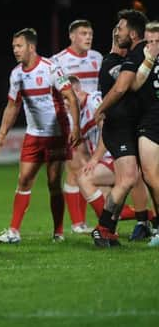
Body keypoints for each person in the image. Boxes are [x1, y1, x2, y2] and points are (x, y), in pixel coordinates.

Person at [0, 28, 81, 244]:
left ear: (31, 47)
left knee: (53, 183)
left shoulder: (50, 68)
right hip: (33, 135)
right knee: (23, 180)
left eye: (19, 46)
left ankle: (58, 232)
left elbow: (70, 95)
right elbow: (12, 106)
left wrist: (76, 127)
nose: (15, 50)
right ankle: (14, 231)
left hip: (56, 134)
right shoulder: (16, 74)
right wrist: (2, 134)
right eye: (14, 46)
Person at [91, 9, 149, 247]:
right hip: (118, 129)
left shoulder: (127, 60)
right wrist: (100, 110)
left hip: (127, 128)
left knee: (130, 178)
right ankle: (102, 228)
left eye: (121, 27)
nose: (118, 30)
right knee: (127, 179)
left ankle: (111, 229)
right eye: (117, 29)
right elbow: (122, 88)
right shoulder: (111, 63)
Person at [51, 20, 102, 234]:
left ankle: (84, 222)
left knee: (87, 170)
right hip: (72, 122)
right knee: (75, 169)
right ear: (72, 36)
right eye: (83, 33)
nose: (88, 37)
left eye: (90, 33)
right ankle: (77, 223)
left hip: (94, 119)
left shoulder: (97, 58)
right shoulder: (59, 60)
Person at [130, 21, 159, 246]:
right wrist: (148, 59)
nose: (152, 45)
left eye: (157, 41)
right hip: (149, 121)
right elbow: (135, 84)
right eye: (149, 41)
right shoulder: (141, 58)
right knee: (149, 175)